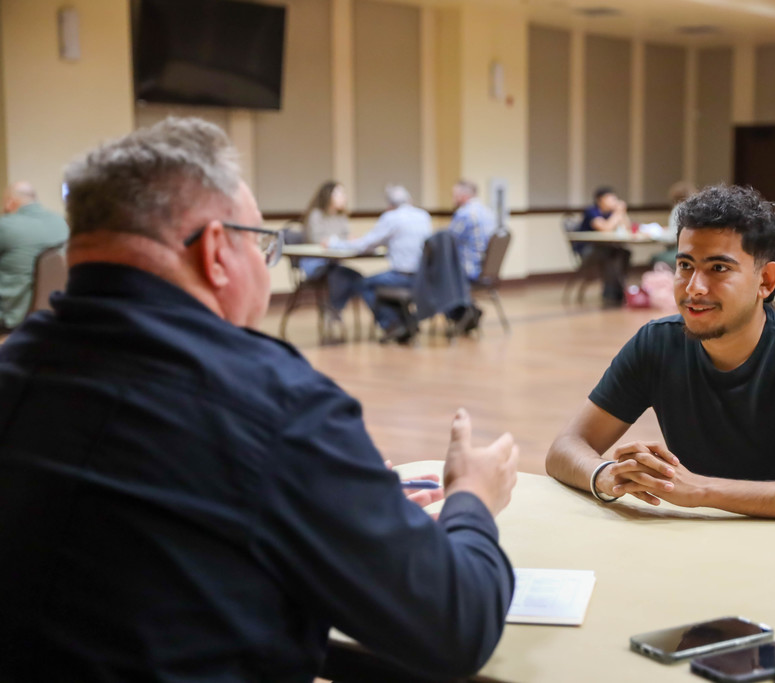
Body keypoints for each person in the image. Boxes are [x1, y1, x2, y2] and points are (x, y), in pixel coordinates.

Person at [0, 117, 519, 682]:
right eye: (261, 245)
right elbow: (457, 625)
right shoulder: (275, 405)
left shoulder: (17, 367)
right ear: (218, 250)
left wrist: (342, 492)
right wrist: (472, 495)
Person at [545, 184, 775, 527]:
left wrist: (704, 490)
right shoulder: (657, 344)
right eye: (686, 265)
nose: (694, 288)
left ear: (765, 280)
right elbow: (565, 447)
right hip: (698, 548)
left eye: (718, 268)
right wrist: (608, 475)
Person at [328, 184, 432, 342]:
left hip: (403, 277)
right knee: (380, 283)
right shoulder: (423, 215)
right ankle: (405, 321)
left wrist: (334, 243)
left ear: (389, 205)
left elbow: (363, 245)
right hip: (425, 278)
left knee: (363, 283)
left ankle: (392, 324)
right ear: (410, 200)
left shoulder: (391, 217)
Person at [0, 181, 69, 329]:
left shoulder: (5, 225)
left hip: (12, 315)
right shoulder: (60, 222)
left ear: (10, 202)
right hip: (53, 311)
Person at [297, 180, 363, 318]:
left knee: (356, 277)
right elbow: (316, 240)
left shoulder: (341, 217)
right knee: (340, 276)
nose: (343, 197)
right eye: (339, 193)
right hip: (315, 263)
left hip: (334, 262)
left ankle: (334, 307)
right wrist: (337, 240)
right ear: (328, 196)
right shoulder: (316, 215)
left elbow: (346, 237)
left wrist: (338, 240)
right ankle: (333, 308)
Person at [446, 179, 496, 333]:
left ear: (463, 196)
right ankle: (466, 313)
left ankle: (464, 312)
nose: (453, 199)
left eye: (455, 195)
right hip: (486, 270)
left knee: (437, 277)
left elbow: (449, 240)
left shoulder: (465, 213)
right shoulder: (488, 212)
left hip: (469, 270)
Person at [579, 186, 633, 306]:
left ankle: (616, 291)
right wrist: (617, 213)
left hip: (606, 248)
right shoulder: (591, 211)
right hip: (588, 250)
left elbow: (627, 228)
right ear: (600, 200)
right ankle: (613, 293)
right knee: (611, 254)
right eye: (611, 198)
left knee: (623, 253)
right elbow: (605, 228)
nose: (614, 201)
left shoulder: (610, 214)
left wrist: (622, 214)